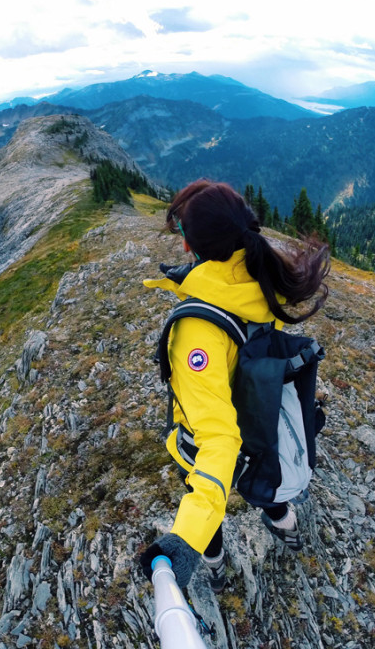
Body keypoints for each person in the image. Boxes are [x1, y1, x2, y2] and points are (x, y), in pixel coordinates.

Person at [139, 180, 330, 593]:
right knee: (265, 473)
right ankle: (285, 522)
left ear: (191, 245)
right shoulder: (256, 277)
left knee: (203, 483)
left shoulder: (197, 329)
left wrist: (185, 538)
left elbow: (218, 438)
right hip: (261, 417)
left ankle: (213, 562)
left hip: (212, 436)